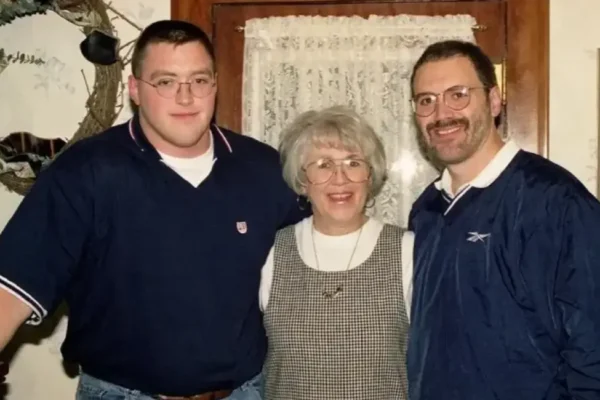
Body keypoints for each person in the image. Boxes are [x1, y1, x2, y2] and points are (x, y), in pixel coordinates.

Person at [0, 20, 306, 400]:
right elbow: (10, 288)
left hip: (245, 392)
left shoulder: (263, 168)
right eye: (165, 81)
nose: (185, 97)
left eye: (198, 80)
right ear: (135, 90)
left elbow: (320, 257)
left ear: (214, 84)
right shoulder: (85, 172)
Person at [407, 39, 600, 400]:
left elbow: (593, 346)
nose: (441, 113)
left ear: (494, 101)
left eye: (458, 94)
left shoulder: (554, 200)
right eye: (426, 100)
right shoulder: (426, 209)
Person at [259, 105, 413, 399]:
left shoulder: (408, 251)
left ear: (370, 174)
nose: (340, 178)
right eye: (324, 164)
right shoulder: (272, 251)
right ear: (303, 180)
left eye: (353, 163)